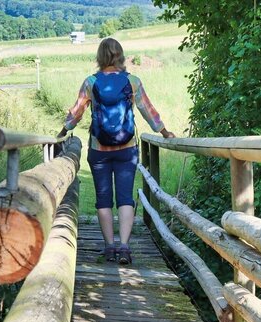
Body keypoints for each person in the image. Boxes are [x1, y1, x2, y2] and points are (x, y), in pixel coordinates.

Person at [58, 37, 174, 265]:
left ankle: (109, 247)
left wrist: (64, 130)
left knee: (103, 199)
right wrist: (164, 131)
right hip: (126, 148)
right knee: (125, 197)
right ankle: (125, 247)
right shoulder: (132, 81)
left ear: (99, 57)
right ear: (120, 56)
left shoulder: (91, 81)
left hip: (99, 149)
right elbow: (147, 110)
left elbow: (77, 112)